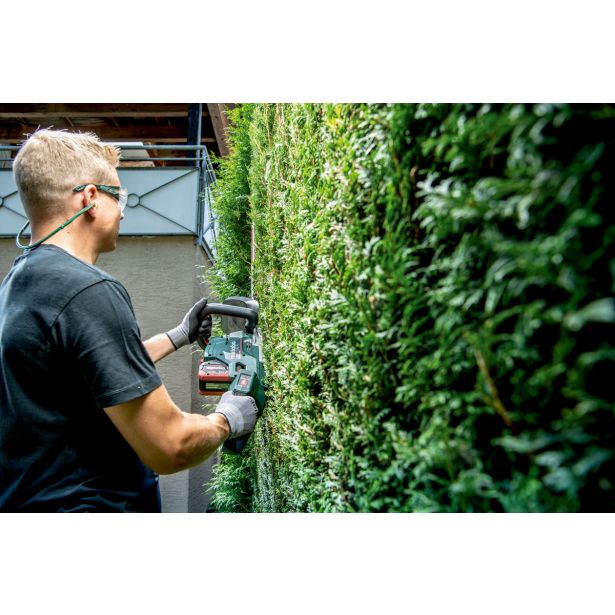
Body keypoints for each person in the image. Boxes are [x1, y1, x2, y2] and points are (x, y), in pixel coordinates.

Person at [0, 129, 259, 512]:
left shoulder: (19, 283)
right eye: (117, 197)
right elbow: (171, 445)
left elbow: (86, 372)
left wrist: (178, 335)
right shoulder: (87, 290)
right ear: (90, 198)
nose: (123, 210)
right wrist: (229, 418)